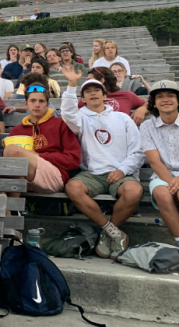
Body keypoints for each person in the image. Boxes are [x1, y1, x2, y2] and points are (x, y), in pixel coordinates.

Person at [61, 67, 144, 260]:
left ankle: (106, 235)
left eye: (96, 90)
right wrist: (72, 84)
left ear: (105, 95)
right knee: (73, 188)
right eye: (88, 91)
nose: (92, 93)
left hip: (121, 172)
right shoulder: (80, 117)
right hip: (92, 174)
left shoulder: (122, 118)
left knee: (134, 191)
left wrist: (123, 170)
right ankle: (113, 232)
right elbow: (66, 112)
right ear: (83, 99)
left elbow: (138, 151)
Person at [139, 80, 179, 273]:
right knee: (163, 194)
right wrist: (172, 181)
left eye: (170, 95)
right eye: (160, 96)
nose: (165, 100)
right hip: (162, 174)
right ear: (153, 103)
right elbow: (154, 161)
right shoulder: (147, 127)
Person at [4, 83, 81, 193]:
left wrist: (39, 156)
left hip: (55, 175)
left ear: (48, 104)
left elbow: (74, 159)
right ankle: (13, 210)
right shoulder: (17, 131)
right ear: (26, 103)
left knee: (12, 150)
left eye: (41, 101)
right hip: (23, 176)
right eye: (32, 101)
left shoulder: (61, 125)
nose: (37, 105)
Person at [80, 67, 148, 125]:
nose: (86, 83)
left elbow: (149, 103)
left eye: (90, 80)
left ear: (102, 80)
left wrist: (142, 109)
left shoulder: (126, 95)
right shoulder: (88, 99)